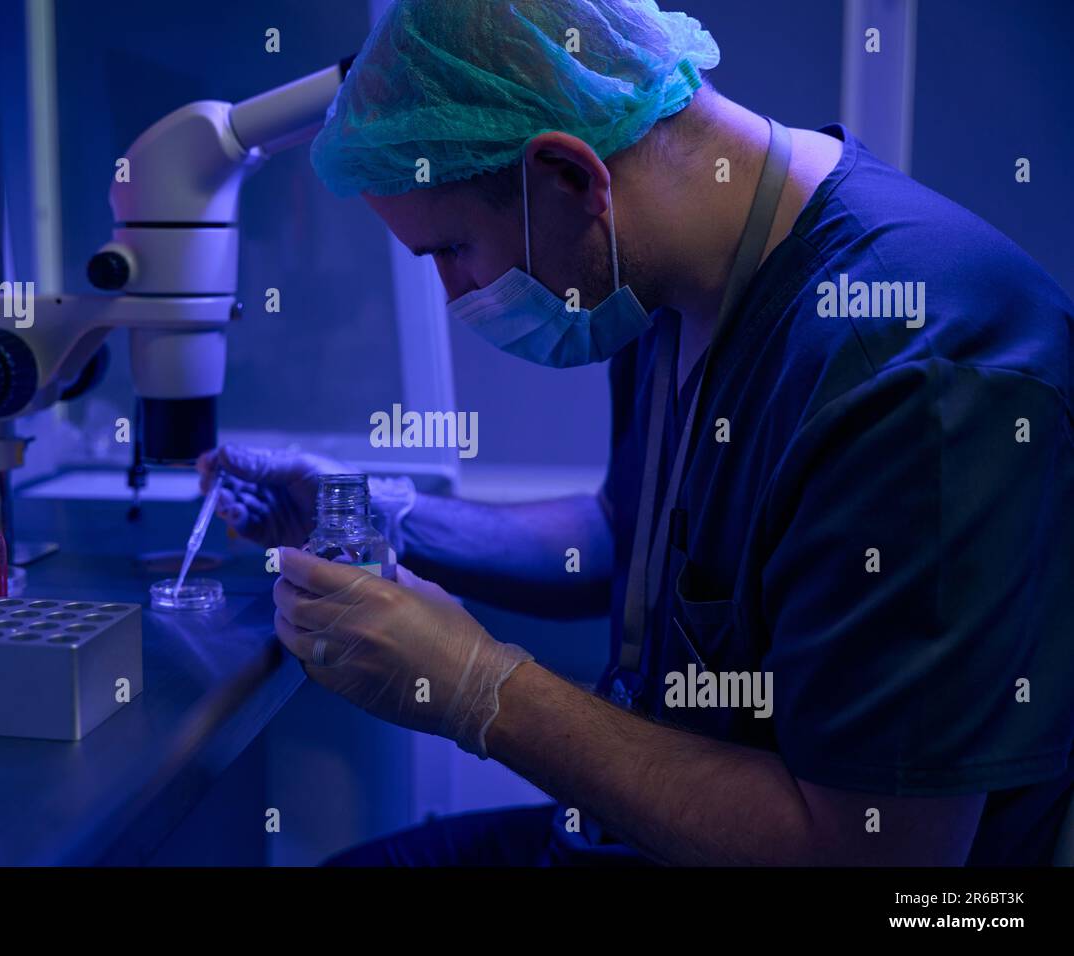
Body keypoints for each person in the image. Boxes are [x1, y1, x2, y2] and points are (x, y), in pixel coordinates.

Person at [197, 0, 1074, 865]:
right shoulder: (661, 277)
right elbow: (630, 541)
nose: (456, 295)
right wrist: (391, 518)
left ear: (571, 177)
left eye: (451, 249)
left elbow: (872, 862)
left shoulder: (911, 378)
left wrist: (480, 690)